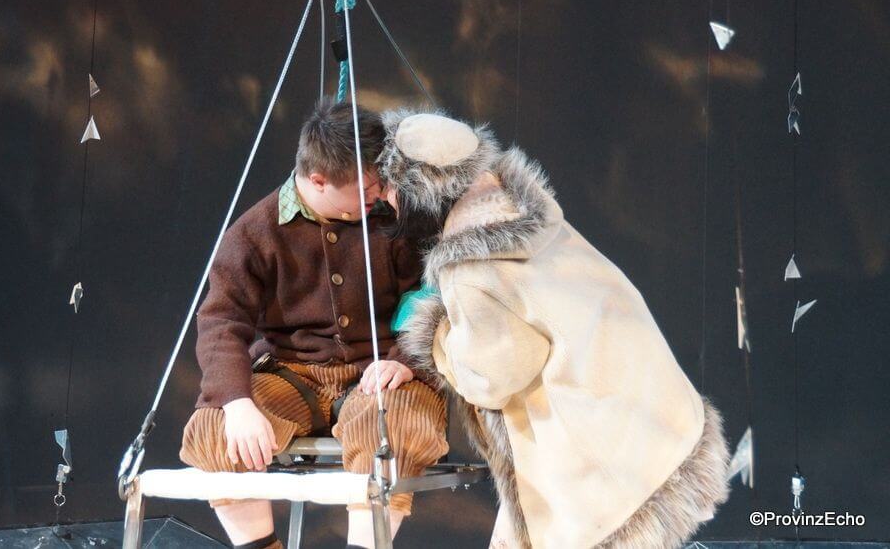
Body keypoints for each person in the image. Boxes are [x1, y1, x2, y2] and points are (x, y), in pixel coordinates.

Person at [377, 110, 731, 549]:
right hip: (646, 414)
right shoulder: (512, 208)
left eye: (391, 184)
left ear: (420, 190)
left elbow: (492, 378)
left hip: (594, 442)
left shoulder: (471, 269)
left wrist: (436, 337)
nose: (386, 197)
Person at [179, 100, 449, 549]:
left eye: (380, 181)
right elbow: (221, 320)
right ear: (318, 180)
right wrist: (237, 403)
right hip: (292, 373)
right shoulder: (255, 232)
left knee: (393, 428)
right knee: (215, 429)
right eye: (366, 187)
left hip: (381, 374)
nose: (379, 193)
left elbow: (434, 296)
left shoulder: (396, 220)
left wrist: (405, 359)